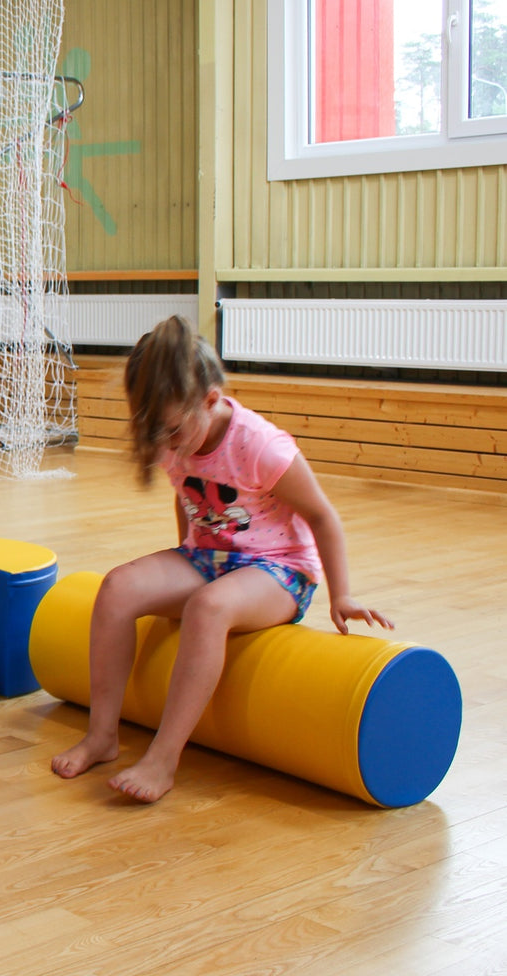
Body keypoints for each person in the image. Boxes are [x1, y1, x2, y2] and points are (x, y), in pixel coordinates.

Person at [51, 315, 392, 803]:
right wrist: (183, 557)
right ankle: (102, 735)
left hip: (280, 570)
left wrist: (342, 595)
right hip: (211, 556)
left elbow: (322, 516)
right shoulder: (170, 434)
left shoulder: (261, 446)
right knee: (117, 587)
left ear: (210, 402)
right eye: (155, 435)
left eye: (171, 432)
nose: (165, 446)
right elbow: (186, 494)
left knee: (208, 608)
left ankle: (164, 758)